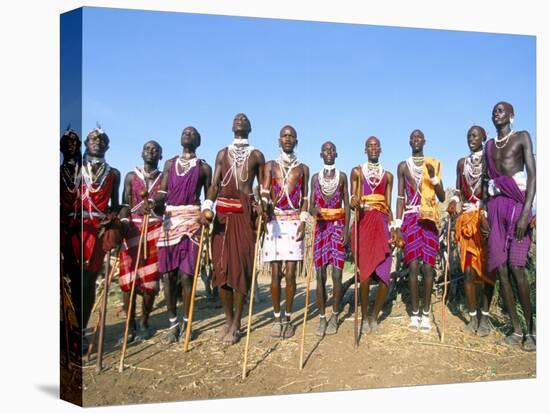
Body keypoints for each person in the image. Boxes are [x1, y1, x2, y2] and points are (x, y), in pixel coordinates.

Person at [201, 113, 265, 345]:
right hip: (221, 218)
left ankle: (237, 322)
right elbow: (215, 185)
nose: (240, 120)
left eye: (245, 119)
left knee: (240, 271)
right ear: (231, 126)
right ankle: (227, 319)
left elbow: (264, 186)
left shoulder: (257, 155)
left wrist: (263, 206)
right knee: (221, 271)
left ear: (250, 126)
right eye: (236, 118)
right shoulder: (221, 153)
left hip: (244, 217)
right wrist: (207, 207)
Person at [483, 101, 536, 351]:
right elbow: (486, 181)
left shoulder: (522, 137)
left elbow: (533, 176)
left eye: (501, 110)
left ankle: (533, 329)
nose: (497, 113)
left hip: (517, 206)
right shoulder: (489, 146)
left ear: (511, 116)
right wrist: (485, 213)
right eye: (494, 110)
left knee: (517, 268)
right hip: (495, 208)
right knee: (501, 269)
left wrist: (526, 214)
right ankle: (516, 330)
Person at [155, 127, 212, 344]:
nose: (187, 135)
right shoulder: (170, 164)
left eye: (192, 133)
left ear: (198, 141)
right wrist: (154, 204)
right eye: (184, 133)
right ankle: (172, 323)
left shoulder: (204, 167)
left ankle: (187, 322)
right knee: (168, 276)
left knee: (187, 275)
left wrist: (207, 213)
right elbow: (162, 193)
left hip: (192, 221)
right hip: (170, 222)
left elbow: (209, 196)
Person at [262, 125, 309, 339]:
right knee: (274, 274)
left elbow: (306, 199)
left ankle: (288, 318)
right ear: (279, 140)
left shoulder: (303, 169)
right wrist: (263, 206)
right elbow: (264, 191)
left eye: (291, 136)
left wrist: (303, 221)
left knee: (290, 274)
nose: (288, 139)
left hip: (293, 222)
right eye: (284, 136)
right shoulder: (270, 166)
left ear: (296, 141)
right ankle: (276, 317)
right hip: (275, 221)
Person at [395, 129, 445, 331]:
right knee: (413, 267)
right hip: (410, 219)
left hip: (429, 219)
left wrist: (433, 178)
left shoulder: (433, 164)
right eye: (413, 138)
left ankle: (426, 314)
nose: (416, 140)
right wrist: (397, 226)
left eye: (419, 137)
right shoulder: (402, 166)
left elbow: (441, 197)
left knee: (428, 267)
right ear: (409, 141)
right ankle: (414, 313)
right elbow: (400, 198)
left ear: (424, 141)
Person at [447, 126, 494, 336]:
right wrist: (454, 201)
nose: (471, 139)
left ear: (484, 138)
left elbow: (494, 188)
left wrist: (483, 209)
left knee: (487, 270)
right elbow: (458, 190)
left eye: (475, 135)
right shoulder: (461, 163)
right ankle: (473, 315)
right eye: (468, 136)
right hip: (467, 222)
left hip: (485, 219)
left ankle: (485, 315)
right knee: (468, 270)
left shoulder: (490, 160)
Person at [117, 140, 164, 344]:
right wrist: (125, 220)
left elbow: (164, 205)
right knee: (128, 280)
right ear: (141, 153)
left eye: (155, 150)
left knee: (150, 280)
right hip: (132, 229)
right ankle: (129, 325)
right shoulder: (130, 176)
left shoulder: (164, 179)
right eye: (147, 148)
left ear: (160, 156)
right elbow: (124, 205)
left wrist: (153, 207)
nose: (151, 152)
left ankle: (144, 322)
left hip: (155, 228)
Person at [350, 137, 395, 334]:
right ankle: (365, 315)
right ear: (365, 149)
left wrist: (393, 227)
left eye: (376, 145)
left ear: (381, 149)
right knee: (366, 274)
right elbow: (353, 197)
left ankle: (375, 315)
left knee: (385, 275)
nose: (373, 148)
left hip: (382, 223)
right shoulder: (357, 172)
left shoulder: (388, 176)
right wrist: (353, 201)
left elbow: (389, 204)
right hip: (364, 222)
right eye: (370, 145)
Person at [80, 127, 122, 343]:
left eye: (102, 139)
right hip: (72, 228)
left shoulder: (113, 174)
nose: (98, 141)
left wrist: (115, 224)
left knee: (87, 282)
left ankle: (80, 330)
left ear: (108, 145)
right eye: (93, 138)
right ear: (86, 142)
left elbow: (114, 205)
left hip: (97, 231)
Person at [309, 141, 350, 336]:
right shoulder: (315, 179)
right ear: (320, 153)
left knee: (337, 275)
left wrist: (346, 231)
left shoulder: (342, 177)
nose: (329, 152)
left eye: (332, 149)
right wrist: (313, 210)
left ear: (337, 153)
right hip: (321, 229)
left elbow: (348, 205)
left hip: (337, 227)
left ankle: (335, 315)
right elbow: (310, 205)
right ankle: (322, 318)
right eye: (326, 149)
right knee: (320, 276)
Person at [60, 129, 82, 358]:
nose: (71, 146)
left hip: (78, 235)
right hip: (61, 232)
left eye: (75, 142)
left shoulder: (87, 174)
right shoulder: (58, 172)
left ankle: (75, 335)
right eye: (67, 142)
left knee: (76, 283)